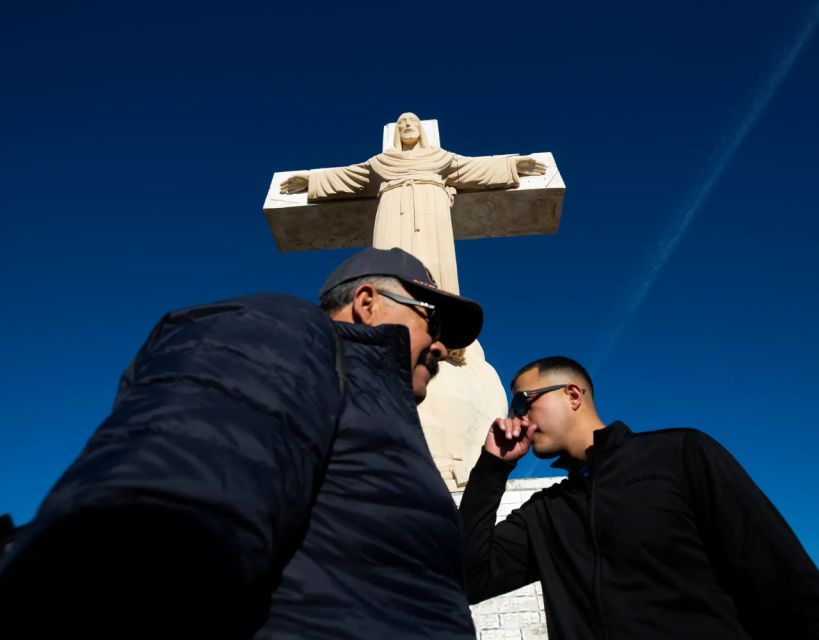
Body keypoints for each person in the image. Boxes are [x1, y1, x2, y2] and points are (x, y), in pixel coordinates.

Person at [0, 247, 484, 640]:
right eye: (432, 322)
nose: (443, 346)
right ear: (367, 302)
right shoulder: (283, 332)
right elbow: (157, 521)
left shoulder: (378, 417)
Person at [460, 355, 819, 639]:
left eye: (523, 402)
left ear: (572, 395)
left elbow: (783, 579)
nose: (516, 417)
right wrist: (492, 468)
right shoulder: (546, 513)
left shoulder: (679, 455)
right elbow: (468, 578)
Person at [280, 112, 545, 295]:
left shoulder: (441, 158)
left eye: (412, 121)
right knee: (386, 265)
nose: (407, 124)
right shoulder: (379, 163)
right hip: (392, 208)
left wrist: (512, 166)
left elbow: (474, 168)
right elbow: (347, 176)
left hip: (432, 209)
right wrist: (310, 181)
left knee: (435, 266)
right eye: (402, 122)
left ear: (420, 130)